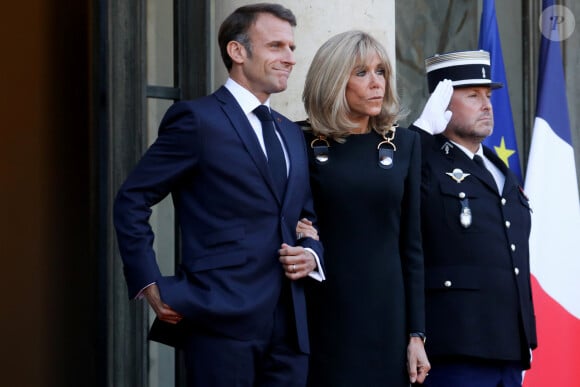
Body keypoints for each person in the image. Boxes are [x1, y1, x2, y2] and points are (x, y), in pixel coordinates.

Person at [113, 3, 325, 386]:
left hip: (291, 326)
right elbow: (132, 199)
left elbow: (306, 217)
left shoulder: (291, 133)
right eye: (277, 46)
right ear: (237, 51)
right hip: (220, 319)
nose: (290, 58)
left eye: (292, 48)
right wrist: (150, 283)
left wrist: (311, 254)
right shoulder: (197, 120)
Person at [299, 30, 430, 386]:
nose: (377, 83)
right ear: (333, 79)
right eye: (361, 73)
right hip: (322, 311)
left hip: (387, 316)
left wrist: (416, 334)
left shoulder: (404, 144)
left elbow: (412, 246)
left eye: (381, 71)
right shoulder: (299, 141)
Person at [410, 50, 537, 386]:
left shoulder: (497, 167)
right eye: (472, 95)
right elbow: (393, 190)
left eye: (488, 95)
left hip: (508, 346)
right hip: (455, 344)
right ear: (442, 103)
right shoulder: (423, 161)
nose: (486, 105)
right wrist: (420, 134)